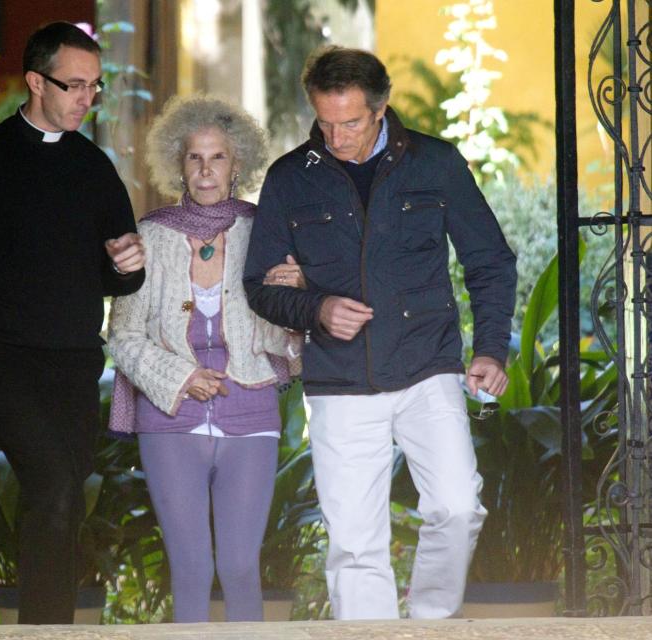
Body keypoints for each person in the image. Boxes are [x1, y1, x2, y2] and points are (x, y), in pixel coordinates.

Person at [243, 46, 517, 620]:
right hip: (340, 380)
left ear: (381, 107)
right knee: (353, 543)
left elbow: (489, 259)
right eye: (324, 122)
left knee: (458, 507)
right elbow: (260, 286)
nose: (336, 136)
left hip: (428, 368)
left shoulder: (436, 163)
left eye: (351, 122)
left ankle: (429, 625)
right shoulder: (290, 178)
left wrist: (491, 347)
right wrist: (317, 308)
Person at [0, 22, 145, 624]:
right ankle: (46, 634)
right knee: (52, 489)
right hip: (1, 364)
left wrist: (129, 267)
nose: (86, 98)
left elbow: (115, 276)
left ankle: (42, 628)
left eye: (94, 87)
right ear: (34, 82)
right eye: (73, 85)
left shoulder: (94, 168)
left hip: (75, 366)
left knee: (65, 502)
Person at [107, 95, 300, 623]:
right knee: (190, 568)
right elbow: (122, 335)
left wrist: (295, 298)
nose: (206, 169)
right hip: (171, 419)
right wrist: (181, 376)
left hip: (251, 415)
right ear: (179, 164)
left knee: (240, 567)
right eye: (195, 157)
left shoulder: (266, 230)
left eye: (218, 158)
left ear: (238, 164)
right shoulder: (150, 234)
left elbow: (290, 335)